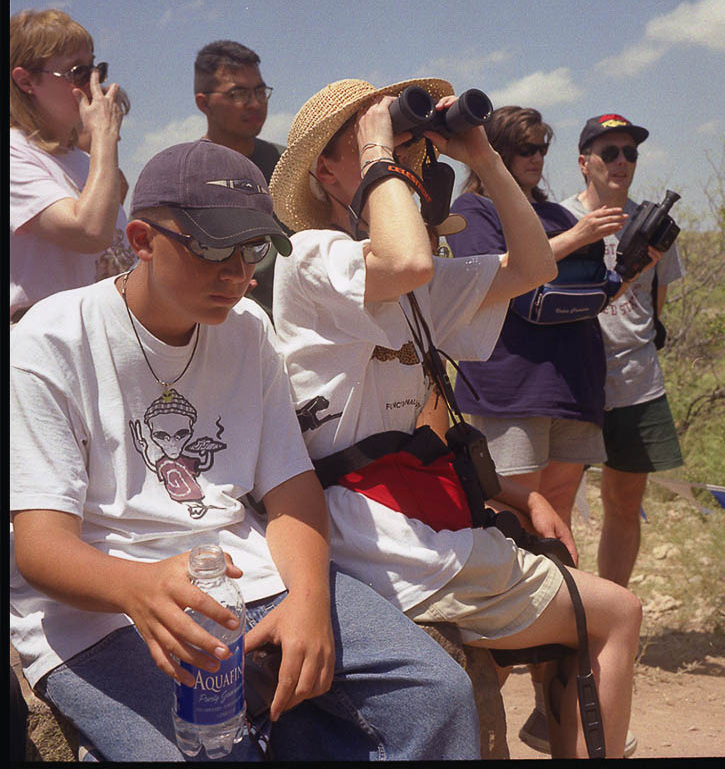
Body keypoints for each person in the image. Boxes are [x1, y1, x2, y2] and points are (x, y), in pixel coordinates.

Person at [9, 139, 480, 762]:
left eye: (251, 249)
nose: (237, 273)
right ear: (142, 239)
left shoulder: (249, 328)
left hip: (250, 578)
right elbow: (41, 549)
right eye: (209, 247)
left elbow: (291, 492)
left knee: (436, 693)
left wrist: (310, 601)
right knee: (205, 752)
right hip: (103, 612)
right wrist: (137, 587)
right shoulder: (51, 339)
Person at [269, 79, 642, 759]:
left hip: (401, 518)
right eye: (367, 142)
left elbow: (531, 267)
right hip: (369, 530)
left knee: (574, 591)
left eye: (406, 142)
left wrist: (482, 155)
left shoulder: (408, 279)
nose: (399, 154)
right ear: (327, 171)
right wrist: (385, 150)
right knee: (619, 614)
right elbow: (405, 259)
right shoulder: (312, 257)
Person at [447, 105, 634, 755]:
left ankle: (557, 720)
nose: (535, 157)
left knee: (562, 548)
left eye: (540, 146)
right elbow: (490, 282)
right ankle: (483, 709)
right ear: (494, 148)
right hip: (509, 389)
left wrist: (634, 256)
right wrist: (581, 233)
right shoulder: (475, 212)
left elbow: (595, 288)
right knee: (519, 542)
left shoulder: (550, 211)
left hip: (572, 387)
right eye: (522, 147)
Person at [561, 113, 686, 590]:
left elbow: (656, 311)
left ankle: (609, 614)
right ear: (583, 162)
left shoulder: (654, 225)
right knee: (557, 502)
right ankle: (566, 620)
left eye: (629, 153)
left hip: (637, 382)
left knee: (623, 504)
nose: (621, 161)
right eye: (608, 152)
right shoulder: (561, 220)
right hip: (573, 380)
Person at [10, 9, 134, 323]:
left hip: (97, 332)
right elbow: (89, 232)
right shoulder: (13, 153)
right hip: (43, 343)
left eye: (97, 69)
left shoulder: (84, 162)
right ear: (26, 81)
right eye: (78, 72)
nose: (95, 84)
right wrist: (104, 136)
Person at [194, 39, 285, 317]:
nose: (255, 103)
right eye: (238, 94)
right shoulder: (186, 175)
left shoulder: (288, 164)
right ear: (204, 103)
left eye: (260, 91)